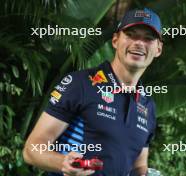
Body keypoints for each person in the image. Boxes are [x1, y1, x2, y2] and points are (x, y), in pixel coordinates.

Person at [23, 7, 163, 176]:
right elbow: (32, 150)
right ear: (115, 40)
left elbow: (138, 166)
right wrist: (63, 163)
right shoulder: (80, 84)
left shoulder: (148, 105)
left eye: (148, 39)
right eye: (131, 35)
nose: (139, 43)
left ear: (158, 49)